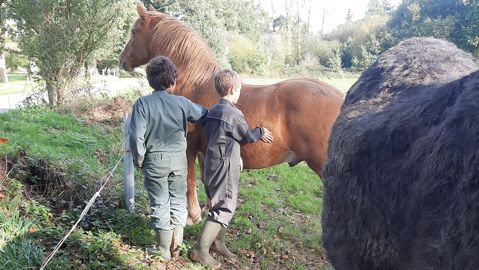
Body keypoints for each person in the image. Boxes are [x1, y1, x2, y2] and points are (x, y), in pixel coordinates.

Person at [190, 69, 274, 269]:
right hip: (225, 167)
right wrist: (260, 131)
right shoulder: (234, 114)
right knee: (225, 206)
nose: (240, 94)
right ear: (231, 89)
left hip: (211, 164)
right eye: (239, 90)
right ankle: (200, 250)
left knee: (216, 203)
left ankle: (218, 243)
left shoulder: (212, 111)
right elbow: (245, 137)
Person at [129, 56, 208, 260]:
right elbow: (204, 114)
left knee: (160, 203)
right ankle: (177, 246)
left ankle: (163, 250)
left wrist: (139, 161)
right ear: (173, 82)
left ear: (150, 81)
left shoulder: (142, 104)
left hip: (154, 162)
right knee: (178, 201)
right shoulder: (182, 103)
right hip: (179, 162)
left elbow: (136, 136)